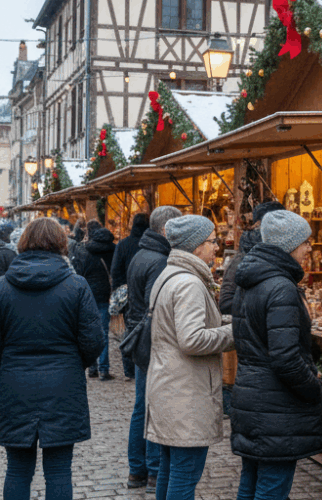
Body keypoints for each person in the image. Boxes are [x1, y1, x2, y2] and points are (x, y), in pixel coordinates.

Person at [0, 218, 104, 500]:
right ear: (61, 244)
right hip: (63, 385)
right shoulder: (76, 286)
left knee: (18, 469)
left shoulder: (3, 288)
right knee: (59, 470)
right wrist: (72, 363)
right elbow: (94, 341)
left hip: (14, 385)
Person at [230, 210, 322, 500]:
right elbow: (286, 359)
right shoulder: (281, 286)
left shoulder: (251, 280)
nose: (310, 248)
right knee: (272, 487)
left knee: (252, 480)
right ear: (289, 244)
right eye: (305, 242)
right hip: (276, 404)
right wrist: (314, 388)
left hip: (252, 394)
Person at [145, 215, 234, 500]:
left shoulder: (170, 275)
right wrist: (235, 333)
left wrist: (221, 321)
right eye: (211, 241)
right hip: (186, 393)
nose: (215, 247)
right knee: (184, 475)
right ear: (195, 246)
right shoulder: (189, 283)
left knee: (171, 471)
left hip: (170, 386)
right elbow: (192, 339)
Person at [125, 205, 182, 492]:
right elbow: (155, 308)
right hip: (151, 342)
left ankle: (137, 470)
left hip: (139, 340)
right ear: (165, 231)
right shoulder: (159, 260)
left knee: (141, 406)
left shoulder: (140, 253)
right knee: (152, 408)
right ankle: (153, 471)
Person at [219, 201, 283, 315]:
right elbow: (226, 303)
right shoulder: (245, 255)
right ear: (259, 224)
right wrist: (267, 305)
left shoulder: (276, 253)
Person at [71, 226, 117, 380]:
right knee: (104, 331)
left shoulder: (86, 250)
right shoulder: (114, 250)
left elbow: (80, 272)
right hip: (105, 295)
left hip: (89, 294)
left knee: (89, 330)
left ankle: (92, 368)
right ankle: (104, 370)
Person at [111, 214, 149, 381]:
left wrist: (121, 291)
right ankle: (143, 366)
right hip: (148, 293)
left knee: (130, 329)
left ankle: (129, 369)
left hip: (129, 295)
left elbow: (116, 271)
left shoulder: (124, 244)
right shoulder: (149, 246)